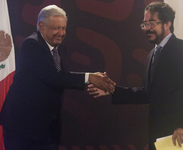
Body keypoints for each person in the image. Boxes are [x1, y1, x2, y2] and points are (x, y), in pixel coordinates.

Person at [0, 5, 115, 150]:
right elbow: (53, 77)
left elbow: (62, 77)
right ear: (41, 26)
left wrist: (92, 81)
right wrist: (89, 77)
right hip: (22, 127)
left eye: (63, 28)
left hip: (46, 128)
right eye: (56, 28)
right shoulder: (31, 45)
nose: (61, 33)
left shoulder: (59, 48)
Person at [88, 2, 183, 150]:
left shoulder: (181, 48)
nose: (147, 28)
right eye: (145, 24)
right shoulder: (152, 54)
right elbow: (147, 94)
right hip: (157, 133)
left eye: (152, 23)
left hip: (177, 135)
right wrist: (113, 89)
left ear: (167, 24)